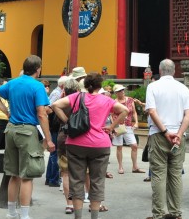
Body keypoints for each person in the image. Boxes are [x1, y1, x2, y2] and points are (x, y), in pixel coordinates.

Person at [52, 73, 128, 219]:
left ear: (85, 85)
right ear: (100, 86)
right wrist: (111, 127)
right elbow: (125, 110)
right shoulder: (106, 100)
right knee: (97, 181)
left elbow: (55, 105)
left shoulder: (77, 97)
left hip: (76, 144)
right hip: (100, 144)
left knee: (77, 180)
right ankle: (94, 216)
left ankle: (78, 217)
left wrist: (67, 121)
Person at [0, 56, 55, 219]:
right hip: (27, 131)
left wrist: (6, 112)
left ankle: (11, 212)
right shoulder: (37, 86)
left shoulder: (13, 82)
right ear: (38, 69)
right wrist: (48, 138)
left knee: (14, 174)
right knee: (27, 176)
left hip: (11, 130)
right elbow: (41, 113)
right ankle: (25, 214)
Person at [145, 59, 189, 219]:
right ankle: (175, 213)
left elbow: (152, 111)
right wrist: (178, 134)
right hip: (179, 137)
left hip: (159, 135)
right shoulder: (183, 88)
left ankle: (158, 214)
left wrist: (166, 132)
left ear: (160, 71)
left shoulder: (153, 87)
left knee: (158, 174)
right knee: (175, 174)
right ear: (174, 71)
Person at [56, 77, 80, 214]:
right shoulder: (80, 102)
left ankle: (69, 204)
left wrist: (66, 122)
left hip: (63, 136)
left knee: (65, 173)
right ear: (77, 89)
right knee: (79, 172)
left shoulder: (61, 102)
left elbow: (53, 116)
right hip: (79, 138)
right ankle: (79, 201)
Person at [111, 84, 142, 175]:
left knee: (134, 145)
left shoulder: (130, 100)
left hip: (128, 125)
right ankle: (120, 166)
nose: (122, 92)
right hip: (118, 126)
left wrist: (136, 121)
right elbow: (112, 115)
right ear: (116, 93)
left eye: (123, 90)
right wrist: (113, 127)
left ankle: (135, 166)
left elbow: (134, 112)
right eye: (120, 90)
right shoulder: (114, 102)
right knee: (119, 146)